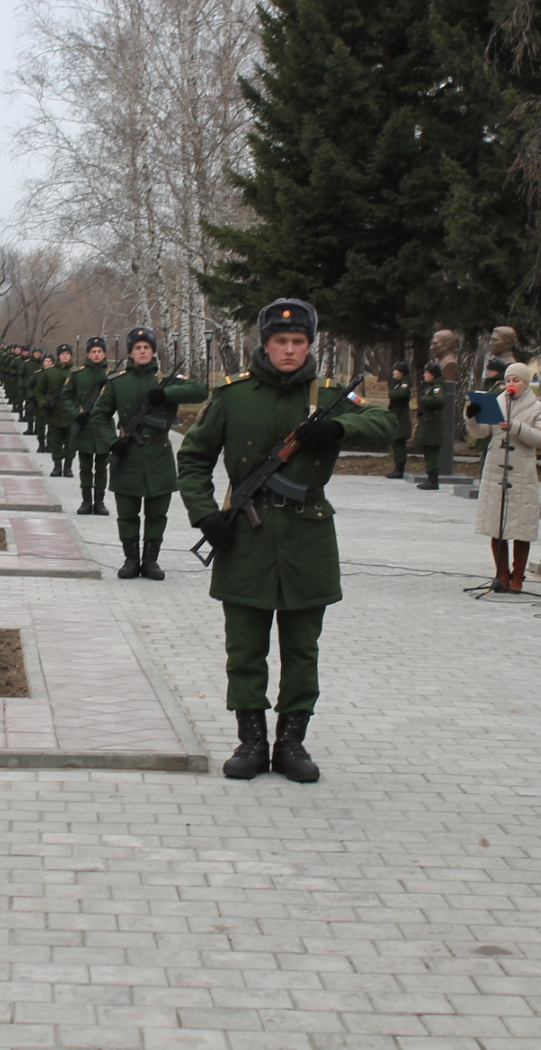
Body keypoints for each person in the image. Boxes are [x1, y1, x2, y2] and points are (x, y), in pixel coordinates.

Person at [177, 298, 398, 783]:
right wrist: (205, 514)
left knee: (302, 648)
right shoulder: (234, 396)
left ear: (310, 344)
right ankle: (251, 741)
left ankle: (292, 742)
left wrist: (339, 427)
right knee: (244, 648)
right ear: (266, 344)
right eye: (282, 342)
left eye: (299, 342)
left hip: (307, 537)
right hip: (245, 540)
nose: (291, 350)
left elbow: (386, 425)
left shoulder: (329, 394)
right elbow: (193, 458)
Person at [90, 327, 206, 580]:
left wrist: (167, 393)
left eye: (146, 347)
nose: (142, 351)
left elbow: (200, 390)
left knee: (157, 514)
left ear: (153, 351)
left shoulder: (165, 379)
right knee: (127, 513)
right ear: (130, 353)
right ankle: (131, 560)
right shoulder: (117, 382)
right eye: (137, 348)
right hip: (127, 454)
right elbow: (98, 415)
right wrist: (112, 442)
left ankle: (151, 561)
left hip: (159, 456)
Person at [463, 363, 541, 592]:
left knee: (521, 525)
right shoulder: (497, 402)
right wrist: (472, 418)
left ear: (525, 383)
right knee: (496, 523)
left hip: (521, 472)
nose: (511, 384)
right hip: (495, 470)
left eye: (516, 380)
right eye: (508, 380)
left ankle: (518, 576)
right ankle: (501, 573)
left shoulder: (538, 408)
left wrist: (516, 427)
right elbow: (482, 433)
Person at [67, 337, 112, 515]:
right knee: (85, 467)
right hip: (84, 427)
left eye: (99, 351)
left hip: (103, 428)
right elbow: (66, 397)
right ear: (87, 354)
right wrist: (76, 414)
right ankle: (86, 501)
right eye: (93, 351)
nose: (96, 354)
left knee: (102, 468)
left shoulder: (111, 375)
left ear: (104, 354)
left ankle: (99, 503)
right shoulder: (78, 374)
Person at [38, 344, 77, 477]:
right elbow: (39, 391)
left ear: (71, 356)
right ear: (58, 356)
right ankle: (57, 467)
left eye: (68, 353)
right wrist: (44, 403)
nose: (65, 355)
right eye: (63, 353)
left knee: (71, 443)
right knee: (56, 442)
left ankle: (68, 468)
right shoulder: (49, 372)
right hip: (54, 412)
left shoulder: (76, 372)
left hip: (71, 414)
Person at [412, 362, 444, 489]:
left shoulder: (437, 387)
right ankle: (430, 478)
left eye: (427, 372)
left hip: (433, 424)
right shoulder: (430, 386)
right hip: (429, 423)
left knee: (432, 453)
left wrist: (424, 399)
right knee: (428, 452)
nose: (424, 374)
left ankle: (433, 480)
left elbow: (438, 400)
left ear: (433, 374)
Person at [386, 361, 412, 479]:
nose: (394, 372)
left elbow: (401, 394)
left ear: (401, 372)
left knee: (400, 443)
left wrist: (391, 393)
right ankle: (397, 467)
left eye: (396, 370)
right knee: (396, 443)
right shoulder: (398, 382)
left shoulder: (404, 383)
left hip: (401, 417)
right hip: (397, 415)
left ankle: (400, 469)